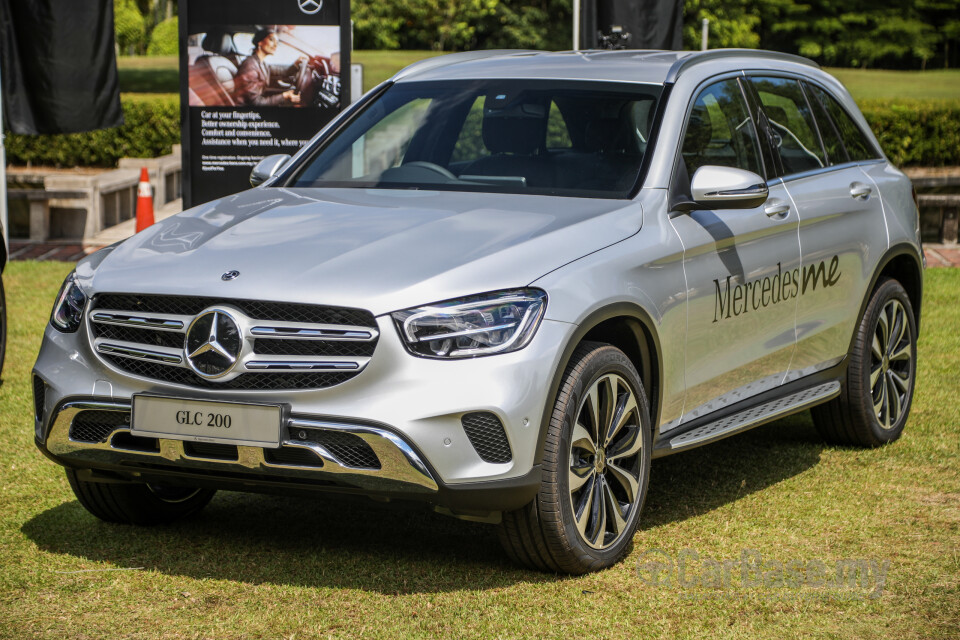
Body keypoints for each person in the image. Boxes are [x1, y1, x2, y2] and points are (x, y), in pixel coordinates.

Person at [234, 28, 305, 106]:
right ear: (260, 42)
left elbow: (282, 71)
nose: (275, 45)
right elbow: (256, 103)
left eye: (277, 42)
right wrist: (284, 96)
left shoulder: (261, 63)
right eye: (271, 40)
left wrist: (296, 63)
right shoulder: (250, 66)